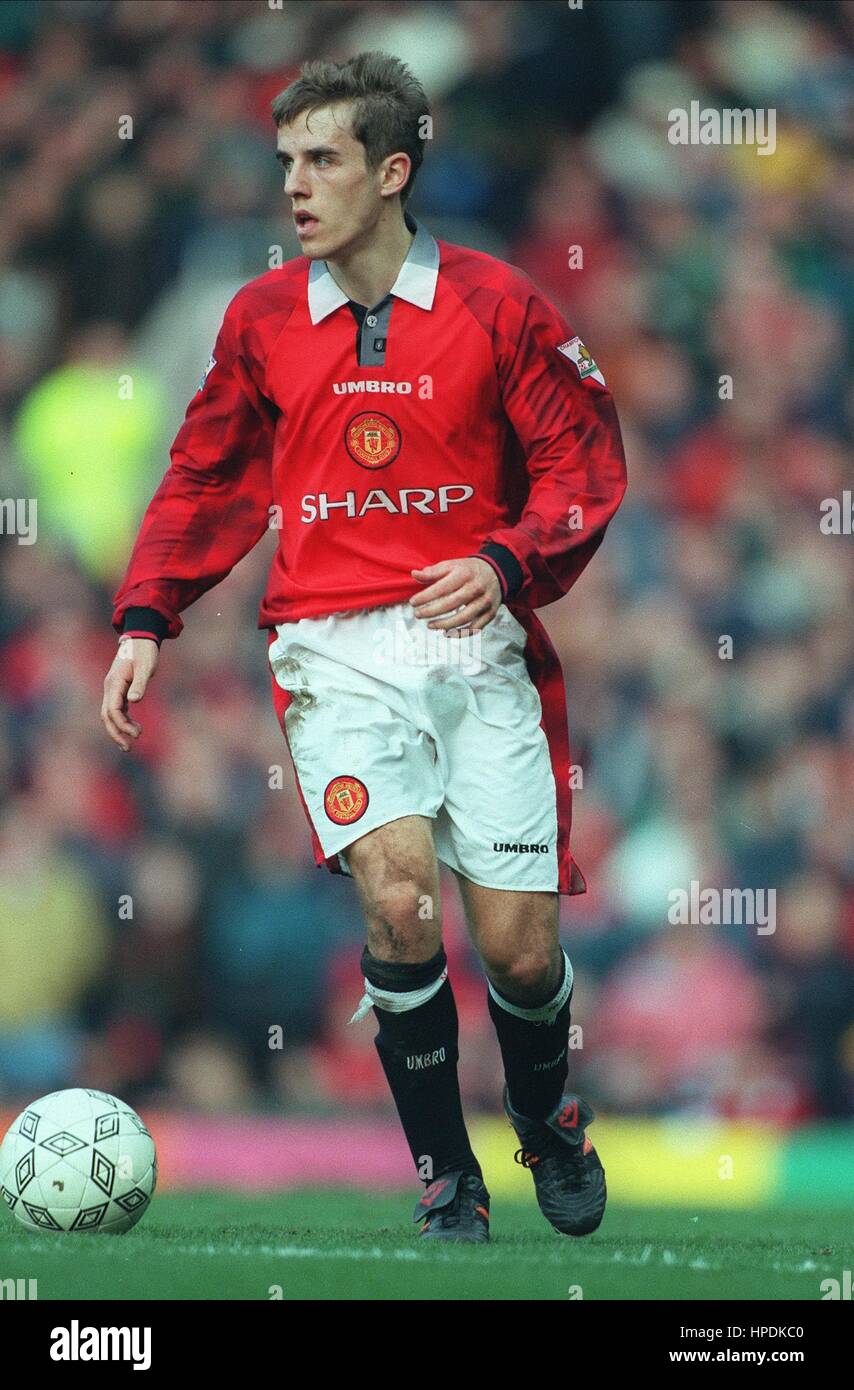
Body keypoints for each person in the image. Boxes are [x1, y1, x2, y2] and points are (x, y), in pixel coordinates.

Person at [102, 51, 627, 1243]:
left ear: (392, 171)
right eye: (285, 159)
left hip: (474, 645)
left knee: (520, 947)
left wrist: (501, 560)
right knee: (395, 903)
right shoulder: (261, 318)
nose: (294, 183)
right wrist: (146, 614)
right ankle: (446, 1176)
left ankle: (546, 1120)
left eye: (322, 158)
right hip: (329, 650)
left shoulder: (503, 305)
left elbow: (583, 467)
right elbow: (206, 479)